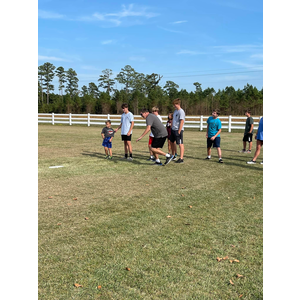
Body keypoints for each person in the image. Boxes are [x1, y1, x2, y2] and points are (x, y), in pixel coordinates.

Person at [169, 98, 185, 163]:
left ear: (178, 104)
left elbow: (182, 121)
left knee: (180, 144)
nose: (174, 106)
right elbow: (173, 119)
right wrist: (171, 126)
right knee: (171, 142)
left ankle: (181, 158)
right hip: (173, 129)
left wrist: (179, 130)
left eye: (175, 104)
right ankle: (173, 155)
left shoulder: (181, 111)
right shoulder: (175, 111)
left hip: (178, 130)